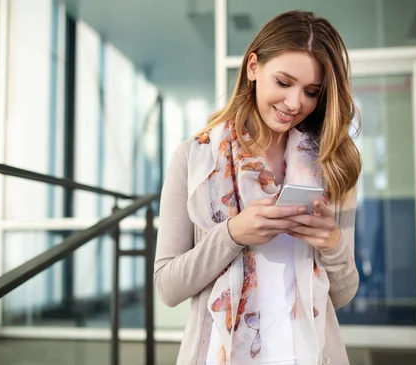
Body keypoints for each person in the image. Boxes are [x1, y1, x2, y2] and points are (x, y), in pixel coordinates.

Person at [154, 10, 361, 365]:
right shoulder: (194, 160)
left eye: (311, 92)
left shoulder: (332, 163)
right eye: (283, 82)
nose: (295, 103)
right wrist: (233, 234)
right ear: (253, 68)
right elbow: (168, 287)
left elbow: (342, 294)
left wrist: (333, 243)